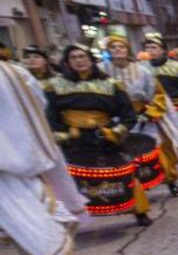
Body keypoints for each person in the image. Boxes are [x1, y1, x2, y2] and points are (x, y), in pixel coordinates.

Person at [0, 61, 89, 255]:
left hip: (13, 162)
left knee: (31, 219)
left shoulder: (11, 73)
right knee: (36, 219)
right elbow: (38, 102)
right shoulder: (12, 73)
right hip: (14, 164)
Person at [46, 44, 153, 227]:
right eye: (74, 57)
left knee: (124, 174)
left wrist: (116, 132)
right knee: (70, 180)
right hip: (74, 139)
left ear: (91, 60)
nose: (79, 60)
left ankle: (140, 211)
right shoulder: (55, 86)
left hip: (105, 136)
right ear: (67, 61)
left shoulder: (110, 84)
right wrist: (64, 134)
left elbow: (128, 115)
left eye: (83, 56)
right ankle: (69, 220)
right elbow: (50, 116)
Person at [102, 33, 178, 197]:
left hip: (141, 117)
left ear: (128, 50)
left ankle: (171, 180)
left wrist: (150, 112)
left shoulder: (143, 71)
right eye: (113, 47)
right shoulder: (100, 71)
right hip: (114, 119)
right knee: (121, 155)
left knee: (153, 151)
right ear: (108, 51)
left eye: (121, 46)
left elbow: (156, 94)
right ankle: (129, 189)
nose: (117, 50)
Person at [143, 32, 178, 174]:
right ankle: (171, 164)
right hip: (155, 108)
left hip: (177, 106)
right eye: (148, 47)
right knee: (163, 140)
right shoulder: (142, 69)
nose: (150, 50)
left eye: (154, 47)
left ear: (162, 49)